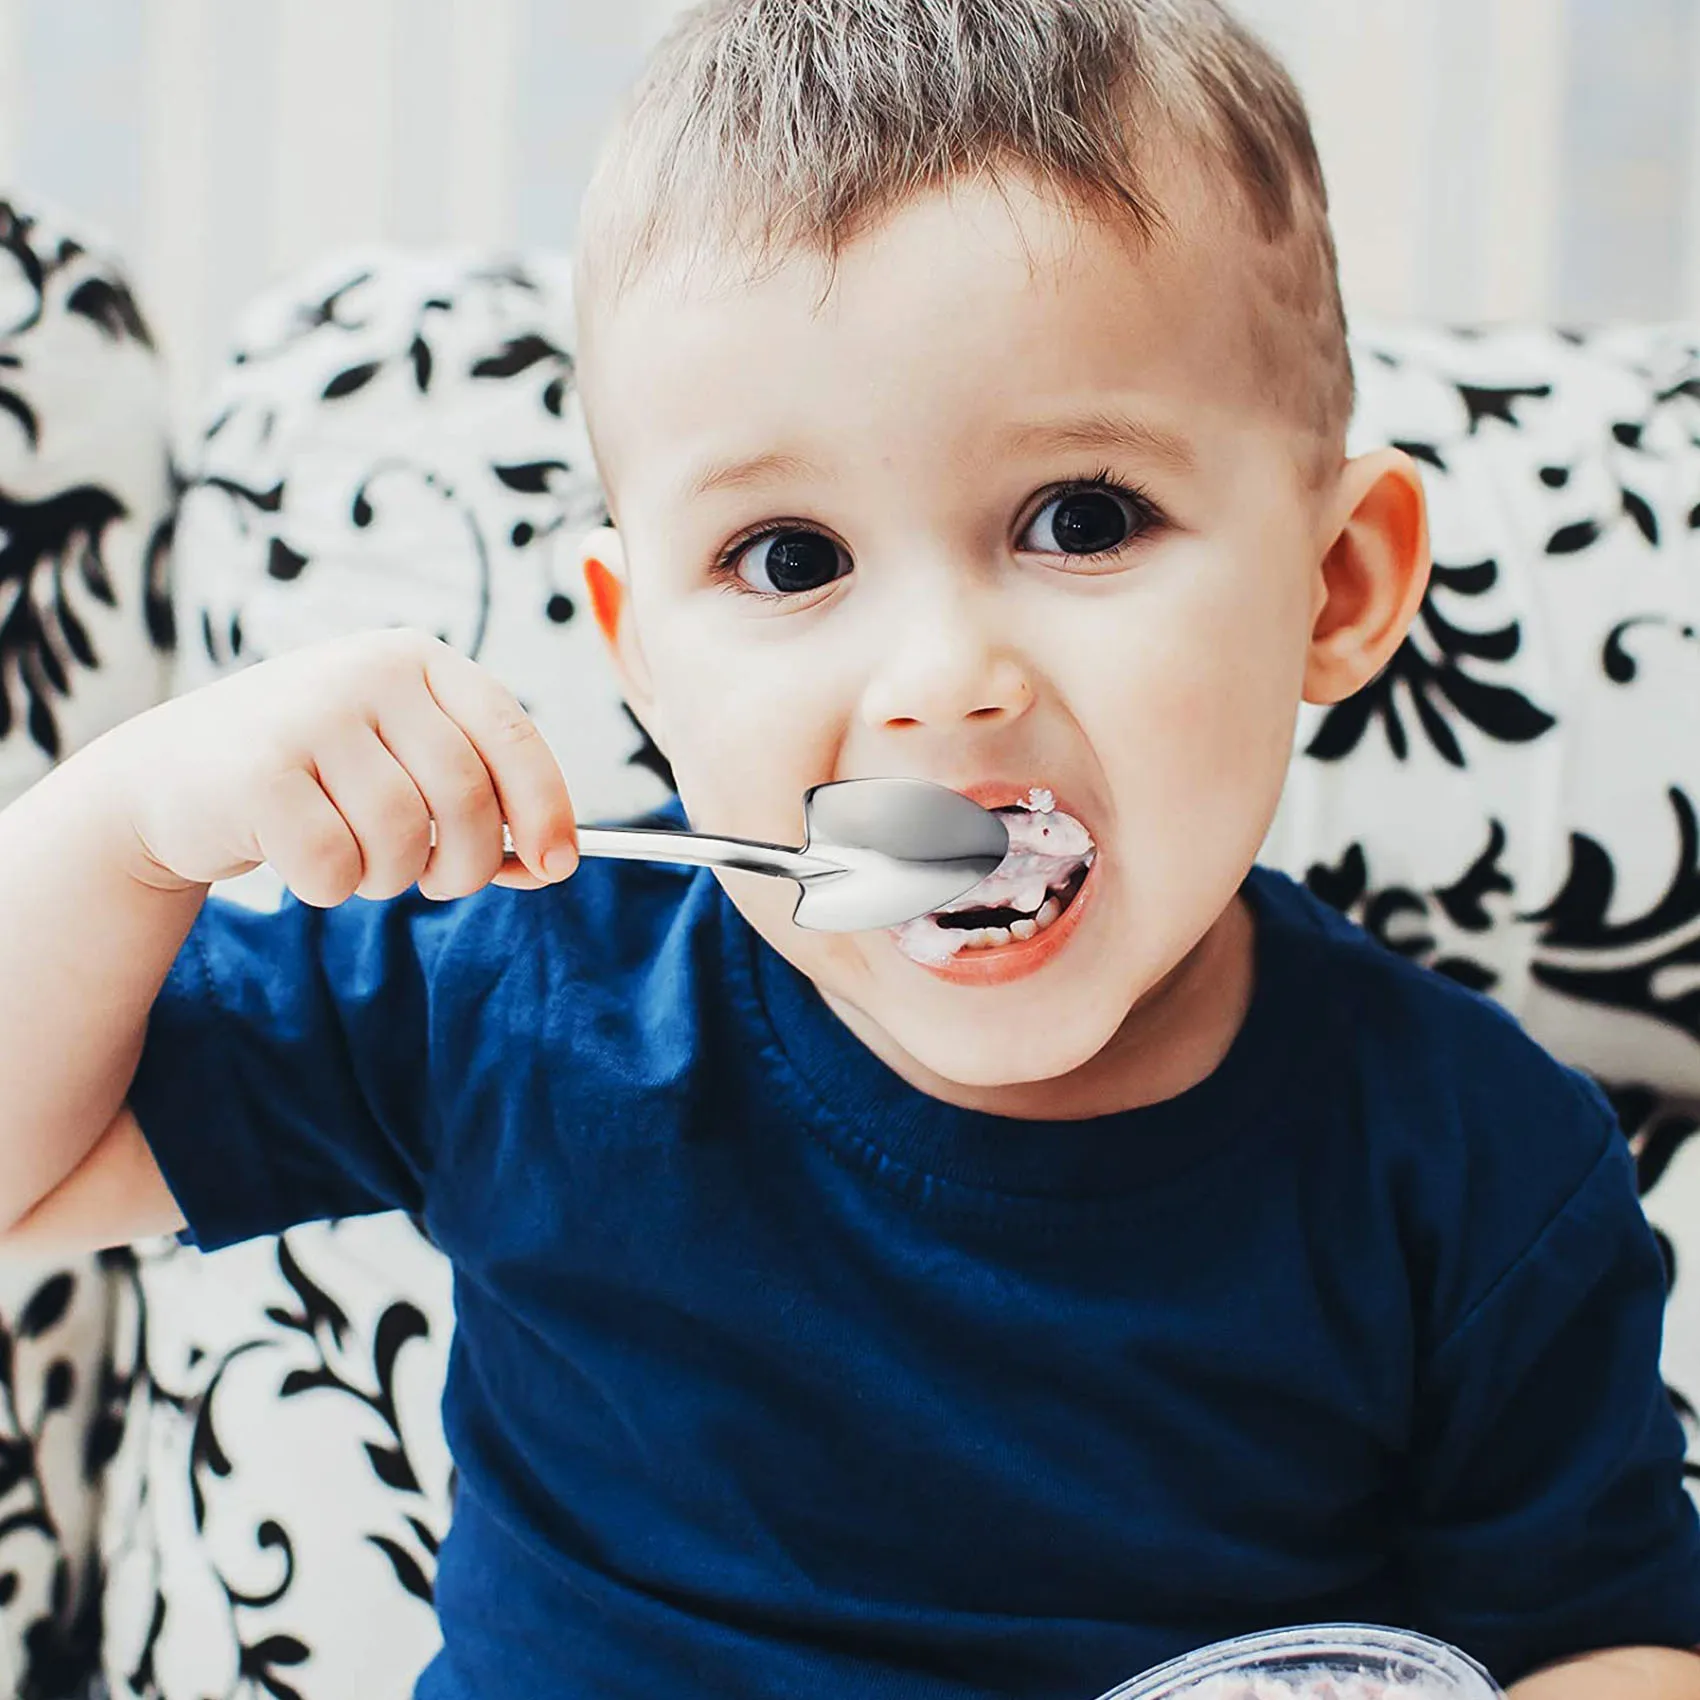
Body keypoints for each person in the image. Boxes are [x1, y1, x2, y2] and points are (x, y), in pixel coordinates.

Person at [2, 2, 1697, 1696]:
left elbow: (1609, 1647)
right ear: (642, 655)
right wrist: (131, 824)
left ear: (1335, 590)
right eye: (792, 557)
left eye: (1083, 519)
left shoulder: (1473, 1169)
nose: (941, 683)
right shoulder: (519, 975)